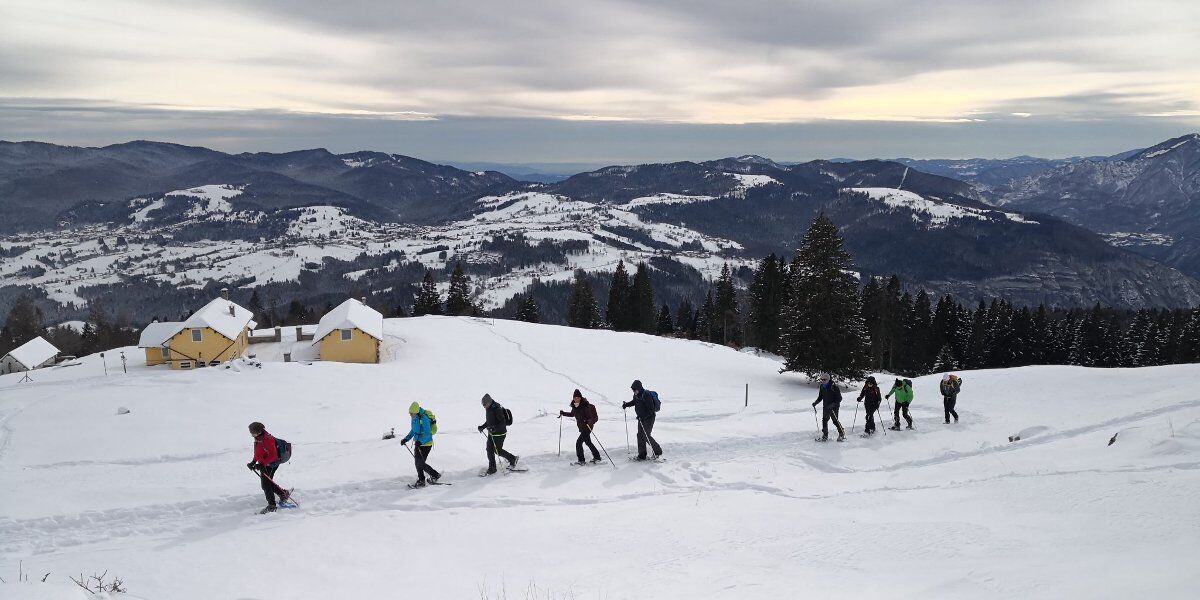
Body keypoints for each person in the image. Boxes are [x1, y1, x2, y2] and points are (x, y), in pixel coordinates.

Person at [247, 421, 290, 513]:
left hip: (271, 464)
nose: (251, 434)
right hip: (264, 464)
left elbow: (273, 455)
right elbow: (258, 452)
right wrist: (253, 462)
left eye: (252, 432)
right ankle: (283, 494)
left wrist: (262, 464)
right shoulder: (258, 438)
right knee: (268, 483)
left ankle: (272, 506)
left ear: (258, 431)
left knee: (266, 485)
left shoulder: (267, 439)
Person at [401, 402, 441, 487]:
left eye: (411, 413)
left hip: (426, 444)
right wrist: (406, 439)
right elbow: (413, 430)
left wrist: (421, 442)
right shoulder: (414, 418)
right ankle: (421, 480)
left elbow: (428, 434)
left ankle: (435, 475)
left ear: (416, 411)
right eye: (409, 413)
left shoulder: (424, 418)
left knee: (420, 463)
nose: (410, 415)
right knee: (417, 463)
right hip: (418, 443)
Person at [622, 380, 662, 460]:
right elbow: (634, 402)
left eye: (635, 389)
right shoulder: (636, 394)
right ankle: (642, 455)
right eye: (633, 390)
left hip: (649, 417)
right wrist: (626, 404)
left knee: (646, 435)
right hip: (641, 418)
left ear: (639, 388)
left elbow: (651, 409)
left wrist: (643, 416)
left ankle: (657, 451)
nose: (634, 391)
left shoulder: (646, 394)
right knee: (639, 435)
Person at [478, 394, 519, 474]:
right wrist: (482, 427)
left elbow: (502, 423)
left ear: (489, 402)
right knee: (489, 449)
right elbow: (490, 421)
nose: (484, 407)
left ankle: (512, 458)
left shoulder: (497, 408)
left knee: (498, 450)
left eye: (484, 405)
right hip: (492, 433)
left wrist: (494, 428)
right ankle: (492, 468)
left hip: (500, 433)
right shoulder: (489, 408)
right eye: (483, 405)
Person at [560, 389, 601, 465]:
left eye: (578, 397)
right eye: (575, 397)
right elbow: (572, 414)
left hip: (587, 427)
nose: (576, 399)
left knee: (578, 443)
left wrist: (588, 421)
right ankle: (597, 457)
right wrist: (563, 413)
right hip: (582, 428)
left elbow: (592, 418)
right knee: (588, 442)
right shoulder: (575, 406)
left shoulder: (585, 406)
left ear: (581, 398)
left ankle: (581, 460)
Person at [811, 374, 846, 442]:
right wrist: (816, 402)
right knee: (824, 420)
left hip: (834, 407)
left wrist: (833, 404)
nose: (823, 381)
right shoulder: (822, 386)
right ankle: (825, 436)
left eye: (824, 379)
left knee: (835, 421)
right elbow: (820, 397)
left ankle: (841, 433)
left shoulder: (834, 387)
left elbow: (839, 398)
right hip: (826, 407)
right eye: (822, 379)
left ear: (828, 379)